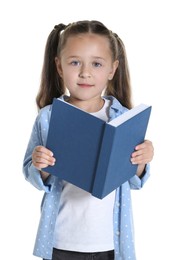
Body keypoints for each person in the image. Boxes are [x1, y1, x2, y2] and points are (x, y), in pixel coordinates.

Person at [23, 20, 154, 260]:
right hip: (61, 242)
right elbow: (32, 174)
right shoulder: (49, 117)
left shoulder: (123, 118)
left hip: (110, 243)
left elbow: (134, 182)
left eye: (96, 64)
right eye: (75, 62)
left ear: (112, 69)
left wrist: (142, 160)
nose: (85, 72)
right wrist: (40, 165)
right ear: (59, 67)